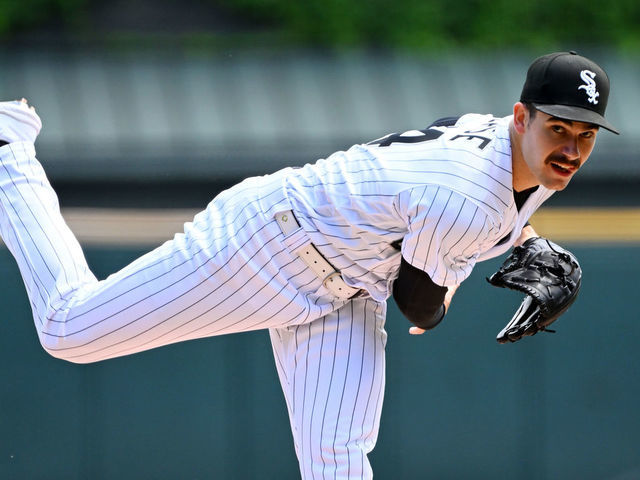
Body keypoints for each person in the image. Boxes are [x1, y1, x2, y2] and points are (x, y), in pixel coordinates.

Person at [0, 51, 617, 479]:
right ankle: (9, 151)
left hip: (344, 280)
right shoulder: (466, 197)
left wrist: (522, 237)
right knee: (68, 330)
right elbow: (419, 303)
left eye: (585, 135)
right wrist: (451, 292)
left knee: (338, 465)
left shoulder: (516, 156)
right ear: (521, 117)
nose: (570, 148)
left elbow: (442, 193)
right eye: (558, 128)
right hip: (268, 245)